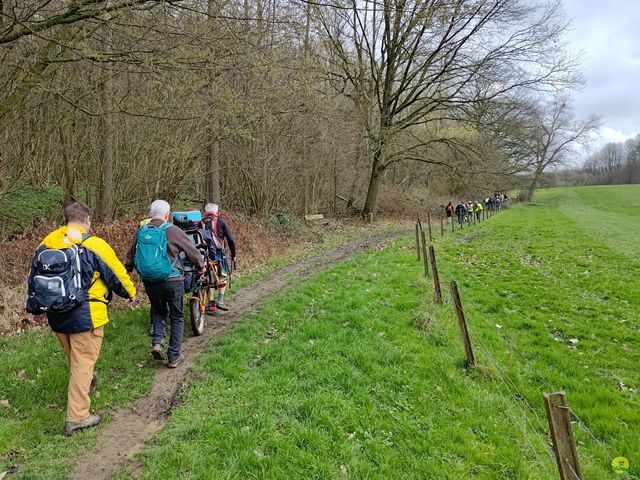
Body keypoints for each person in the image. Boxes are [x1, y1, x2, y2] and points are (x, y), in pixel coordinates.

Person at [26, 202, 137, 436]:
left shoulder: (47, 242)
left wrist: (37, 308)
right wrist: (131, 293)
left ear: (66, 219)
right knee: (82, 363)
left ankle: (86, 382)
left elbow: (34, 276)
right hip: (86, 314)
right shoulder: (93, 244)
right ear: (87, 220)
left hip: (56, 313)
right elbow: (116, 273)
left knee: (75, 360)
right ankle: (77, 416)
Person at [126, 200, 205, 368]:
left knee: (158, 310)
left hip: (150, 280)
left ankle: (157, 343)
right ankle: (174, 356)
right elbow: (193, 252)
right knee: (177, 316)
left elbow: (131, 254)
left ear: (150, 214)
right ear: (167, 214)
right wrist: (201, 266)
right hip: (172, 280)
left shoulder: (141, 231)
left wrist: (129, 269)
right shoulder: (173, 230)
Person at [200, 203, 237, 312]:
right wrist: (233, 254)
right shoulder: (221, 221)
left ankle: (211, 304)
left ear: (206, 212)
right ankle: (220, 300)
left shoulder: (201, 222)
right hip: (219, 252)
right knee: (223, 274)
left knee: (209, 276)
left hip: (205, 254)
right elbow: (230, 239)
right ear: (216, 212)